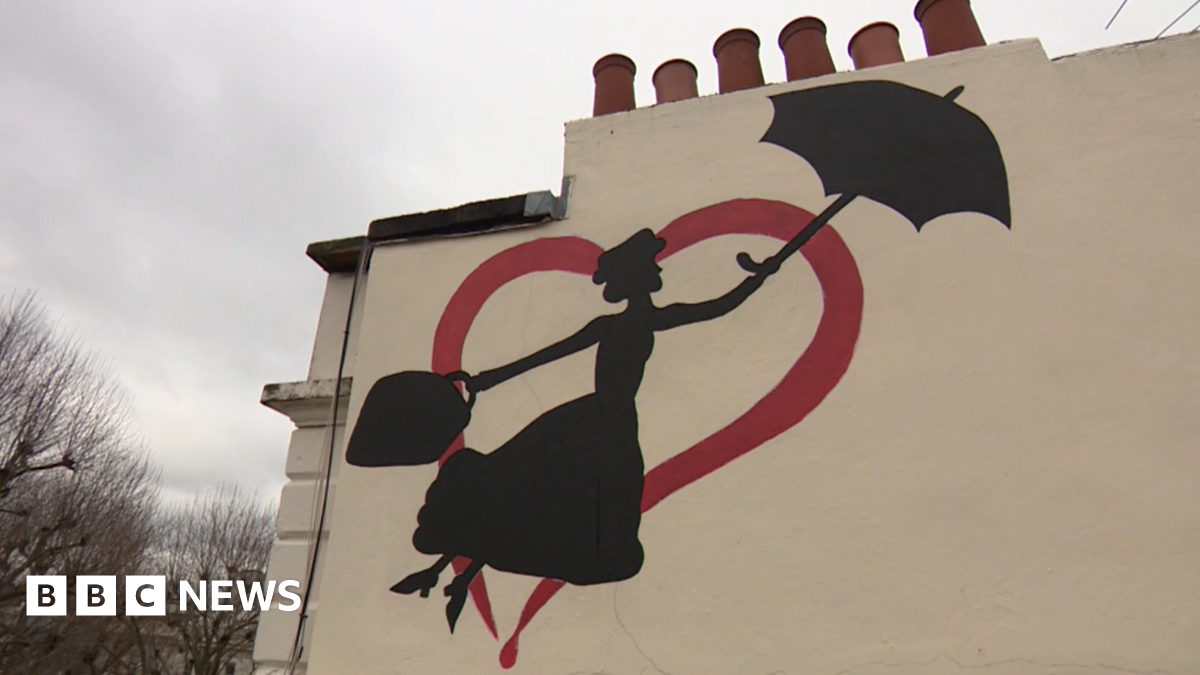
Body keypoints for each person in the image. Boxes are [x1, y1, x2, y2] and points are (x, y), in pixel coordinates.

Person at [390, 228, 779, 631]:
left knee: (589, 493)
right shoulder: (613, 324)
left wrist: (761, 276)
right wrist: (489, 378)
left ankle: (498, 554)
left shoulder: (653, 318)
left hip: (608, 418)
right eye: (650, 267)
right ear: (637, 278)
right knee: (546, 484)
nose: (656, 271)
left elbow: (717, 307)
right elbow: (549, 354)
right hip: (597, 420)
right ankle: (477, 548)